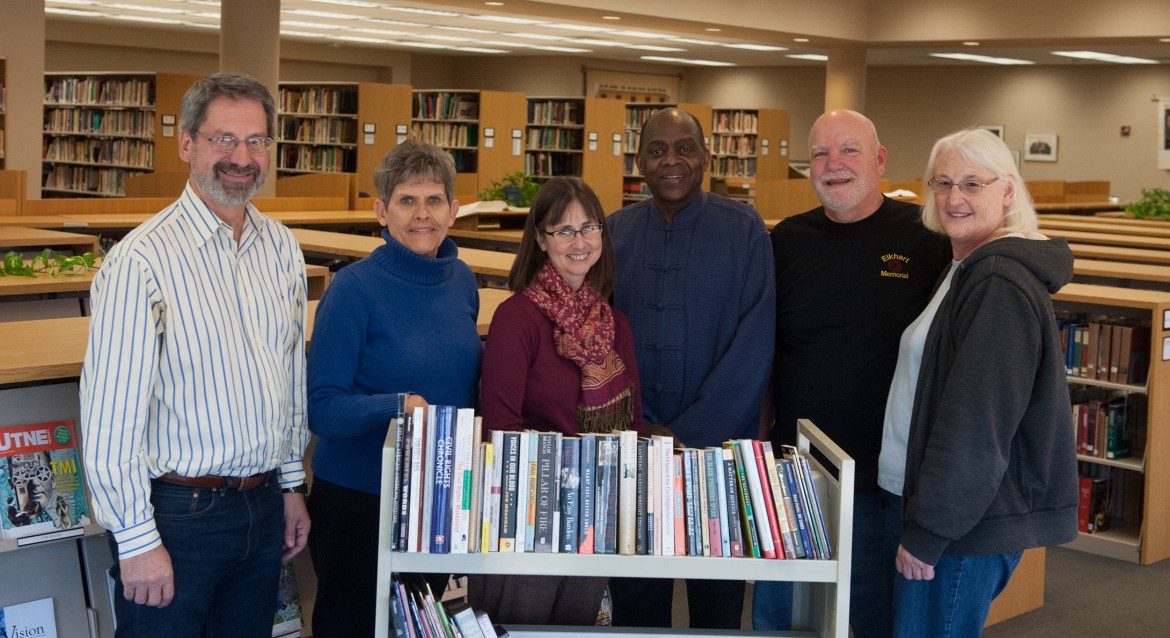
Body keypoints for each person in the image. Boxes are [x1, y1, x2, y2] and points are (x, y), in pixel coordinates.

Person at [80, 72, 311, 637]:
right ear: (187, 144)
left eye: (256, 140)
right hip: (178, 516)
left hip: (261, 508)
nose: (242, 156)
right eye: (222, 139)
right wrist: (135, 541)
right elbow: (110, 420)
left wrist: (290, 485)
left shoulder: (281, 248)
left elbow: (288, 378)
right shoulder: (141, 262)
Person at [756, 109, 951, 635]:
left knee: (861, 616)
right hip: (792, 471)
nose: (832, 164)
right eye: (820, 154)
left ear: (880, 160)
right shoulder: (787, 240)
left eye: (849, 150)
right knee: (779, 615)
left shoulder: (926, 239)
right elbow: (767, 352)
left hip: (879, 480)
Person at [879, 127, 1078, 636]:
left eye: (972, 183)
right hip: (950, 514)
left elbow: (976, 423)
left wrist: (931, 531)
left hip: (964, 529)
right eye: (942, 183)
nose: (953, 197)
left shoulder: (998, 284)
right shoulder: (963, 265)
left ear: (1008, 191)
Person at [607, 108, 775, 629]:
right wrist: (643, 430)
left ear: (705, 157)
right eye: (656, 150)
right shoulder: (614, 232)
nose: (671, 161)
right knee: (637, 602)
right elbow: (598, 347)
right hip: (635, 453)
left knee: (718, 609)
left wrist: (686, 434)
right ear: (639, 160)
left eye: (684, 148)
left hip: (720, 456)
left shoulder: (744, 230)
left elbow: (754, 346)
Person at [306, 140, 482, 637]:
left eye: (433, 200)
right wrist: (399, 405)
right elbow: (322, 408)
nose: (421, 214)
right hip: (360, 499)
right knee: (354, 626)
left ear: (454, 209)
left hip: (436, 496)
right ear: (381, 211)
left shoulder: (461, 280)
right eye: (406, 201)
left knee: (423, 628)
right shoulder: (353, 288)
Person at [469, 175, 643, 625]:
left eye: (589, 228)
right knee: (521, 627)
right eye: (564, 231)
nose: (579, 242)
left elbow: (632, 425)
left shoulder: (614, 323)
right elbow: (501, 430)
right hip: (531, 516)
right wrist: (560, 492)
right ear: (541, 240)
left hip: (595, 517)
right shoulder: (516, 318)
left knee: (576, 631)